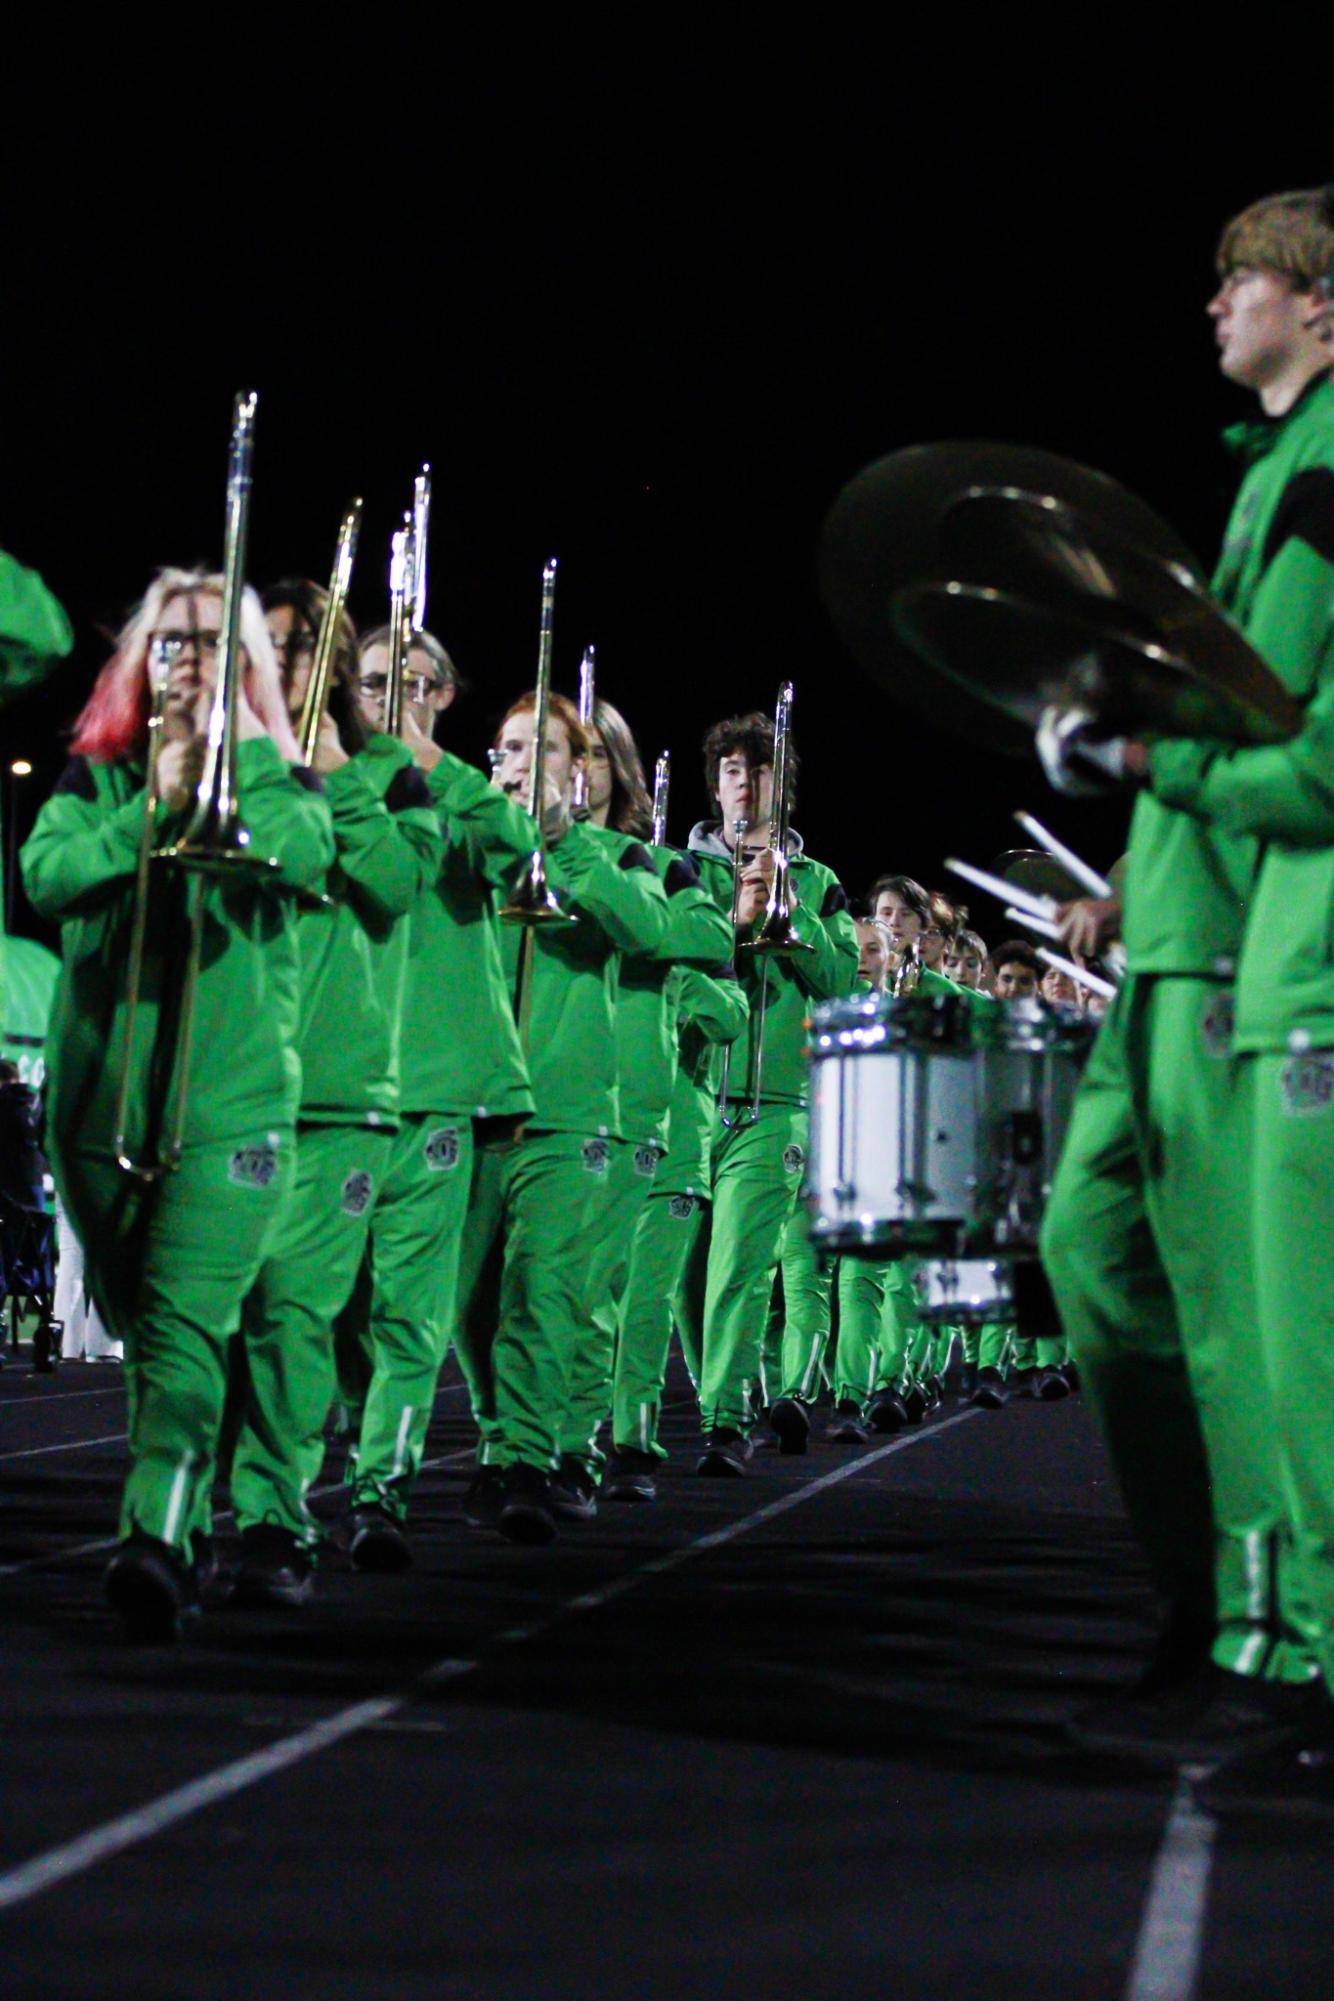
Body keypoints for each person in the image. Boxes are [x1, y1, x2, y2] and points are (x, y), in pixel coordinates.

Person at [1041, 184, 1334, 1768]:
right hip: (1179, 934)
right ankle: (1216, 1597)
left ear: (1318, 300)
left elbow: (1301, 747)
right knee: (1097, 1257)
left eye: (1240, 279)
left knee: (1261, 1326)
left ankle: (1273, 1641)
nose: (1216, 306)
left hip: (1256, 949)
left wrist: (1156, 757)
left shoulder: (1326, 478)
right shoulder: (1271, 476)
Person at [21, 568, 334, 1640]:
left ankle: (155, 1534)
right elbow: (46, 876)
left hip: (230, 1108)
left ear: (243, 665)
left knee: (182, 1322)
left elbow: (307, 851)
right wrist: (147, 810)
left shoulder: (276, 776)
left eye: (210, 643)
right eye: (170, 642)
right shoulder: (95, 774)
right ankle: (189, 1516)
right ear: (137, 659)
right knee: (148, 1324)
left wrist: (230, 767)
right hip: (101, 1104)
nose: (187, 661)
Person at [224, 582, 443, 1606]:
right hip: (230, 1078)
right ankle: (202, 1505)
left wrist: (335, 780)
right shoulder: (237, 761)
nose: (286, 667)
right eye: (271, 650)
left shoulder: (395, 779)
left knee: (293, 1316)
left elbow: (398, 886)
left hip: (340, 1094)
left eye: (303, 650)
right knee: (213, 1318)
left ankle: (274, 1519)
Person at [334, 627, 532, 1568]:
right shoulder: (330, 775)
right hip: (336, 1079)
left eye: (412, 683)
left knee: (412, 1312)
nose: (391, 695)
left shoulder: (463, 787)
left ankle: (382, 1488)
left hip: (437, 1083)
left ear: (445, 693)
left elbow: (516, 845)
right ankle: (354, 1430)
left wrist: (429, 767)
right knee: (329, 1310)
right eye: (375, 682)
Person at [452, 690, 670, 1543]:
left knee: (546, 1291)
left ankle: (528, 1459)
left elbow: (650, 929)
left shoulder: (622, 855)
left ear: (578, 770)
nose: (518, 761)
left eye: (540, 748)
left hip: (568, 1108)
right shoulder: (475, 842)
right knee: (468, 1307)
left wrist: (564, 840)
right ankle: (503, 1436)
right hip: (473, 1097)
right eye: (507, 747)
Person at [687, 710, 858, 1471]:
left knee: (739, 1270)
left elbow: (842, 979)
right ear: (715, 786)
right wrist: (734, 917)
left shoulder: (820, 881)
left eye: (759, 772)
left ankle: (723, 1424)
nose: (744, 786)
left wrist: (789, 906)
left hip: (772, 1106)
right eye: (731, 771)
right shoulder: (680, 869)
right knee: (686, 1286)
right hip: (689, 1096)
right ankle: (742, 1392)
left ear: (781, 788)